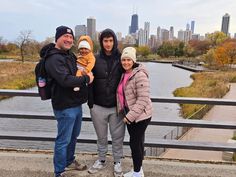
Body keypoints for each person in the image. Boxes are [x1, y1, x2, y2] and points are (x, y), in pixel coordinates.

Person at [40, 25, 94, 177]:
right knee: (63, 140)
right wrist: (86, 78)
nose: (69, 39)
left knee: (73, 136)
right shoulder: (53, 58)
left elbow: (80, 69)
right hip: (64, 106)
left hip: (76, 104)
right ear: (57, 38)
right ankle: (59, 171)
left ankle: (69, 160)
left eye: (71, 37)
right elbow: (65, 80)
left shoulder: (69, 55)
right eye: (66, 36)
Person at [87, 29, 125, 177]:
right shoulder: (94, 59)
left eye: (110, 40)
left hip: (116, 107)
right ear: (101, 42)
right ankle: (101, 160)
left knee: (117, 137)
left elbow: (132, 71)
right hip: (97, 106)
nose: (108, 44)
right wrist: (90, 103)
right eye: (105, 41)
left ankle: (117, 162)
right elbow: (89, 80)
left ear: (114, 41)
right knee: (101, 137)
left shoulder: (121, 59)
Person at [117, 47, 152, 177]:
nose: (126, 62)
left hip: (140, 116)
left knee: (135, 144)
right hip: (131, 114)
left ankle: (137, 172)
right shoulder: (124, 73)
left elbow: (143, 99)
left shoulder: (140, 75)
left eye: (129, 60)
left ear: (134, 60)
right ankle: (139, 169)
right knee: (138, 142)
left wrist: (128, 117)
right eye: (124, 60)